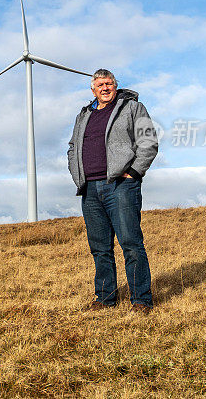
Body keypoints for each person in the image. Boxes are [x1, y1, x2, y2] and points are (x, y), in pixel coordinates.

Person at [67, 69, 159, 314]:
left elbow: (148, 141)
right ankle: (105, 298)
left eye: (109, 83)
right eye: (100, 84)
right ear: (93, 89)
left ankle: (141, 300)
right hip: (90, 189)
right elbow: (73, 146)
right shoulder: (83, 114)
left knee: (131, 244)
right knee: (99, 248)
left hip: (121, 186)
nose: (104, 88)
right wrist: (77, 175)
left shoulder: (132, 108)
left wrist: (135, 172)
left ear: (115, 86)